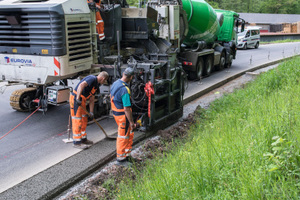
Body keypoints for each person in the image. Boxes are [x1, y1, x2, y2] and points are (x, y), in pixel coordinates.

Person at [70, 71, 109, 149]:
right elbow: (81, 85)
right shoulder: (92, 79)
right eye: (104, 81)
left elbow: (92, 99)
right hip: (76, 98)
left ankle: (83, 139)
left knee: (84, 118)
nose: (104, 82)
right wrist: (77, 99)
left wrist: (91, 112)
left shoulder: (96, 85)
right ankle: (77, 142)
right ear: (103, 78)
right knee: (77, 120)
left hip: (83, 99)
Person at [110, 68, 136, 165]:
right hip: (123, 116)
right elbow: (127, 108)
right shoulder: (125, 90)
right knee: (123, 136)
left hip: (116, 113)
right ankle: (121, 159)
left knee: (128, 134)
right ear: (131, 77)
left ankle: (126, 155)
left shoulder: (115, 83)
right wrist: (131, 122)